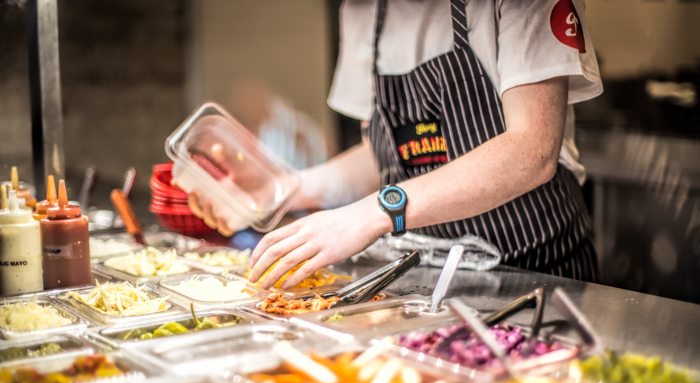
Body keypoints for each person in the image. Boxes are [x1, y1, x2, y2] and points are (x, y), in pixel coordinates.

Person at [188, 0, 603, 289]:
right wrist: (282, 189)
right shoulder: (363, 10)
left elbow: (530, 150)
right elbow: (387, 154)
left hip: (536, 273)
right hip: (424, 277)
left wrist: (372, 214)